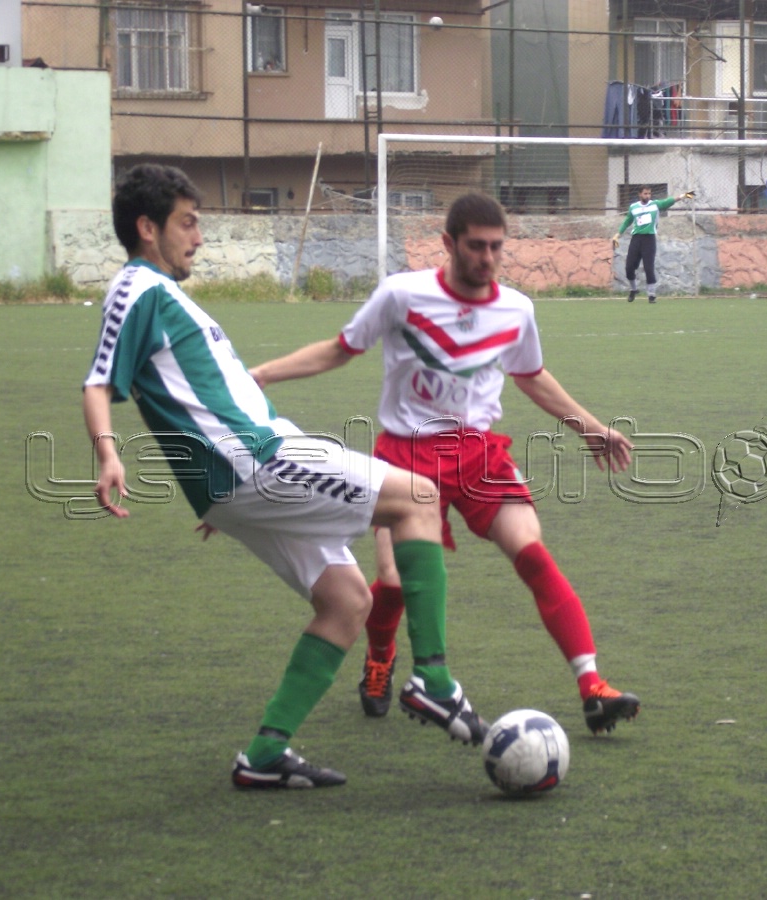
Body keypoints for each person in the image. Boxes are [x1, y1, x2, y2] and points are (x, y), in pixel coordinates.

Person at [82, 164, 488, 791]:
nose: (198, 237)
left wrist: (225, 499)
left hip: (238, 478)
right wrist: (108, 454)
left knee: (346, 600)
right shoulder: (138, 289)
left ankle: (265, 754)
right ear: (146, 227)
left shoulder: (161, 295)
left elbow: (188, 400)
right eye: (188, 222)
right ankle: (434, 682)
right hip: (257, 458)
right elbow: (99, 381)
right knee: (420, 499)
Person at [250, 192, 641, 736]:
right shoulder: (401, 296)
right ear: (448, 244)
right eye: (476, 246)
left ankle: (592, 686)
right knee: (391, 580)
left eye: (496, 247)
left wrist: (593, 429)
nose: (487, 257)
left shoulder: (516, 310)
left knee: (532, 551)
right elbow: (341, 348)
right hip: (406, 456)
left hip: (478, 454)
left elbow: (531, 376)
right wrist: (265, 373)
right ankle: (381, 656)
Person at [612, 186, 694, 303]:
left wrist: (685, 195)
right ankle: (633, 289)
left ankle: (651, 295)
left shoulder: (655, 205)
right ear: (640, 194)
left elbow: (670, 201)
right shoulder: (633, 207)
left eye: (649, 194)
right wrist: (617, 234)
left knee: (648, 267)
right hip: (636, 238)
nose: (647, 196)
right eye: (645, 194)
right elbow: (627, 221)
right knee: (629, 267)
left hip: (649, 239)